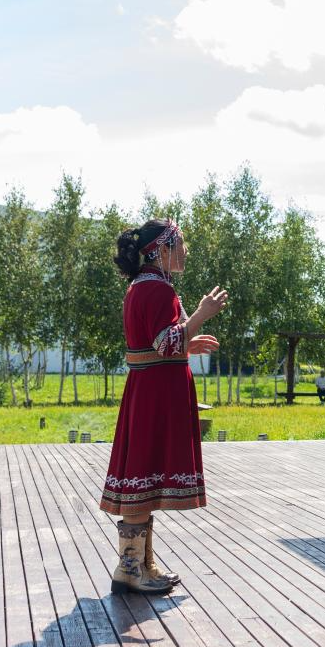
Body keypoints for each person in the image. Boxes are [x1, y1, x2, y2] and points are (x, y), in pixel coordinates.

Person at [101, 219, 228, 594]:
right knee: (145, 472)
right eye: (181, 243)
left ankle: (141, 565)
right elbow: (164, 344)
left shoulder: (144, 286)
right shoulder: (156, 289)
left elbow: (156, 342)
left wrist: (188, 341)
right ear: (160, 249)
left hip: (150, 391)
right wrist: (201, 314)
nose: (186, 251)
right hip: (156, 396)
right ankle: (130, 568)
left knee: (146, 476)